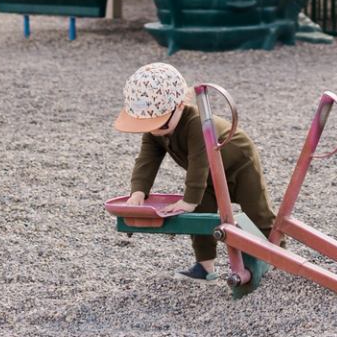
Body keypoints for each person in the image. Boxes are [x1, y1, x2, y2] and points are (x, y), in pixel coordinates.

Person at [111, 62, 277, 281]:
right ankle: (204, 267)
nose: (153, 131)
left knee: (257, 210)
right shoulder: (154, 132)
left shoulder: (197, 123)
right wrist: (138, 192)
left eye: (159, 124)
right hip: (206, 174)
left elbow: (199, 163)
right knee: (200, 215)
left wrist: (188, 200)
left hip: (239, 163)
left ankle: (276, 257)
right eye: (147, 124)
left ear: (180, 105)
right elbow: (147, 160)